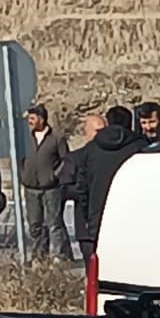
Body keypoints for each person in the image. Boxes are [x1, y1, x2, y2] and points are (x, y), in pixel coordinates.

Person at [74, 113, 146, 253]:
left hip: (99, 219)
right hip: (132, 218)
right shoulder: (139, 146)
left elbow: (82, 189)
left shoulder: (90, 150)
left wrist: (88, 217)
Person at [19, 104, 73, 259]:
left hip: (51, 188)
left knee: (54, 223)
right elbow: (18, 158)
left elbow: (65, 160)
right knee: (35, 225)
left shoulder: (56, 138)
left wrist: (54, 176)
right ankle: (39, 255)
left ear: (41, 120)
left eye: (32, 118)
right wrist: (23, 175)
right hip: (30, 188)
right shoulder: (24, 138)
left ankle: (58, 255)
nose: (29, 121)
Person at [66, 113, 105, 265]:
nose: (100, 136)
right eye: (96, 131)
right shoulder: (76, 158)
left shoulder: (114, 157)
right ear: (85, 133)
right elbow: (65, 188)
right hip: (86, 226)